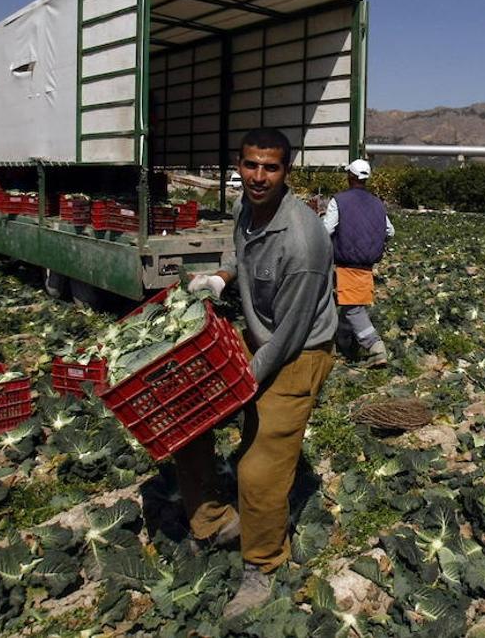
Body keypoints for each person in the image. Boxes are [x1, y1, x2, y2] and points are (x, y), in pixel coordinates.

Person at [179, 127, 337, 619]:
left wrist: (242, 380)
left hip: (299, 353)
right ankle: (215, 522)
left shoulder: (304, 242)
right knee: (188, 423)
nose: (259, 176)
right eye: (251, 165)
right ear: (240, 165)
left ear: (286, 172)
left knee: (259, 465)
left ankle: (263, 566)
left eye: (271, 167)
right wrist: (222, 276)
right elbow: (243, 256)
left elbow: (288, 338)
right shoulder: (245, 209)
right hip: (258, 336)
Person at [322, 158, 394, 366]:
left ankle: (374, 346)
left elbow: (326, 230)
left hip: (346, 263)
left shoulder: (339, 200)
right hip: (367, 265)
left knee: (353, 308)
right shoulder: (377, 203)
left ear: (350, 177)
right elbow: (390, 231)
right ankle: (344, 344)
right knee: (347, 304)